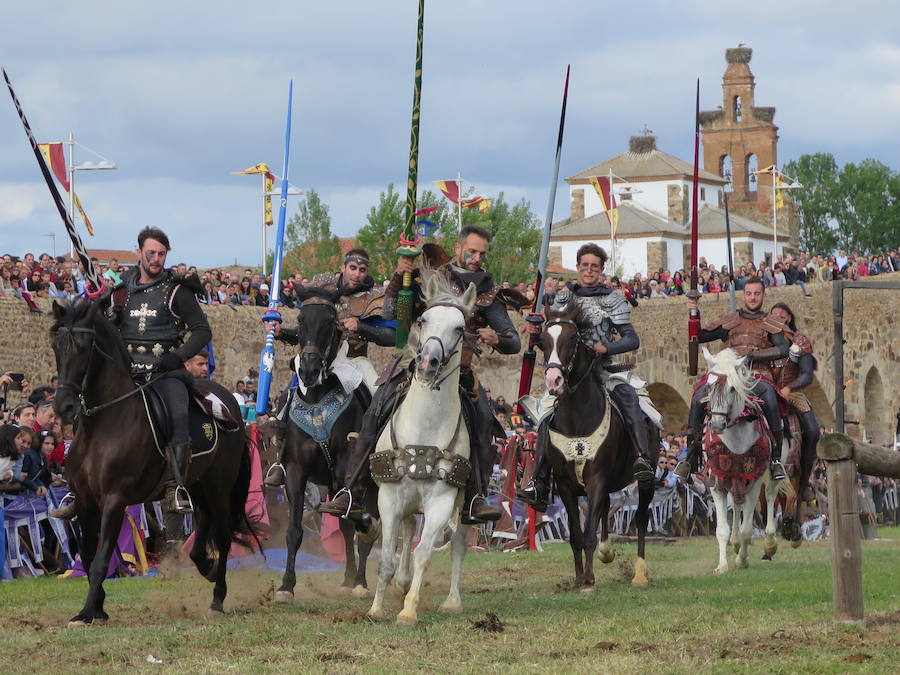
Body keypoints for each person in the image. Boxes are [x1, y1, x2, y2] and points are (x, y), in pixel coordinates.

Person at [319, 226, 523, 525]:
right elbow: (393, 315)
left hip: (459, 373)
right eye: (472, 251)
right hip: (414, 362)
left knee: (482, 420)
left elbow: (513, 341)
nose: (476, 258)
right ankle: (352, 490)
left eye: (481, 254)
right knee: (376, 409)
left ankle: (476, 497)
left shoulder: (486, 292)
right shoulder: (429, 278)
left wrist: (497, 338)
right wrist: (399, 277)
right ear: (458, 248)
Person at [51, 226, 211, 520]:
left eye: (162, 254)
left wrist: (177, 357)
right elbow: (92, 316)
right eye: (151, 253)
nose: (156, 259)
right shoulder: (120, 288)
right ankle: (80, 486)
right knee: (88, 410)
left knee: (177, 413)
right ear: (139, 252)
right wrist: (92, 297)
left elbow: (202, 331)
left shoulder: (177, 291)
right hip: (125, 373)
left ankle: (176, 487)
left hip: (164, 373)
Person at [517, 243, 658, 510]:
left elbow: (632, 339)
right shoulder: (562, 299)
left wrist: (607, 347)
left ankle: (641, 458)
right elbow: (554, 343)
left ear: (601, 269)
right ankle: (539, 481)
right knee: (546, 414)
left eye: (595, 266)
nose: (589, 270)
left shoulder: (613, 299)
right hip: (570, 375)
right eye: (585, 265)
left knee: (631, 400)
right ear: (578, 267)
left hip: (605, 369)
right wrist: (536, 338)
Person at [262, 248, 396, 487]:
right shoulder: (322, 291)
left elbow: (392, 336)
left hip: (354, 360)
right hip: (320, 359)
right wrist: (283, 334)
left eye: (362, 270)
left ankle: (380, 454)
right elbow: (308, 332)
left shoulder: (371, 299)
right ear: (344, 267)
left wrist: (361, 328)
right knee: (287, 399)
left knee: (379, 399)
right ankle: (282, 460)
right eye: (352, 268)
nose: (356, 274)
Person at [676, 277, 789, 481]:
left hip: (756, 374)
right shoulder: (730, 321)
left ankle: (776, 459)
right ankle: (690, 458)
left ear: (763, 295)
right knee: (697, 398)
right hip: (726, 372)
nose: (752, 298)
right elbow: (699, 336)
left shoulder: (772, 323)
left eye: (757, 293)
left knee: (771, 399)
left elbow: (783, 349)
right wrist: (694, 310)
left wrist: (753, 356)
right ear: (743, 294)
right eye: (748, 293)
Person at [768, 302, 821, 503]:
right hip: (766, 392)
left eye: (781, 317)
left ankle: (805, 481)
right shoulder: (763, 340)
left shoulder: (799, 342)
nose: (778, 320)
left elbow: (807, 375)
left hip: (792, 393)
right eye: (774, 316)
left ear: (789, 319)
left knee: (813, 431)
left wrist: (789, 388)